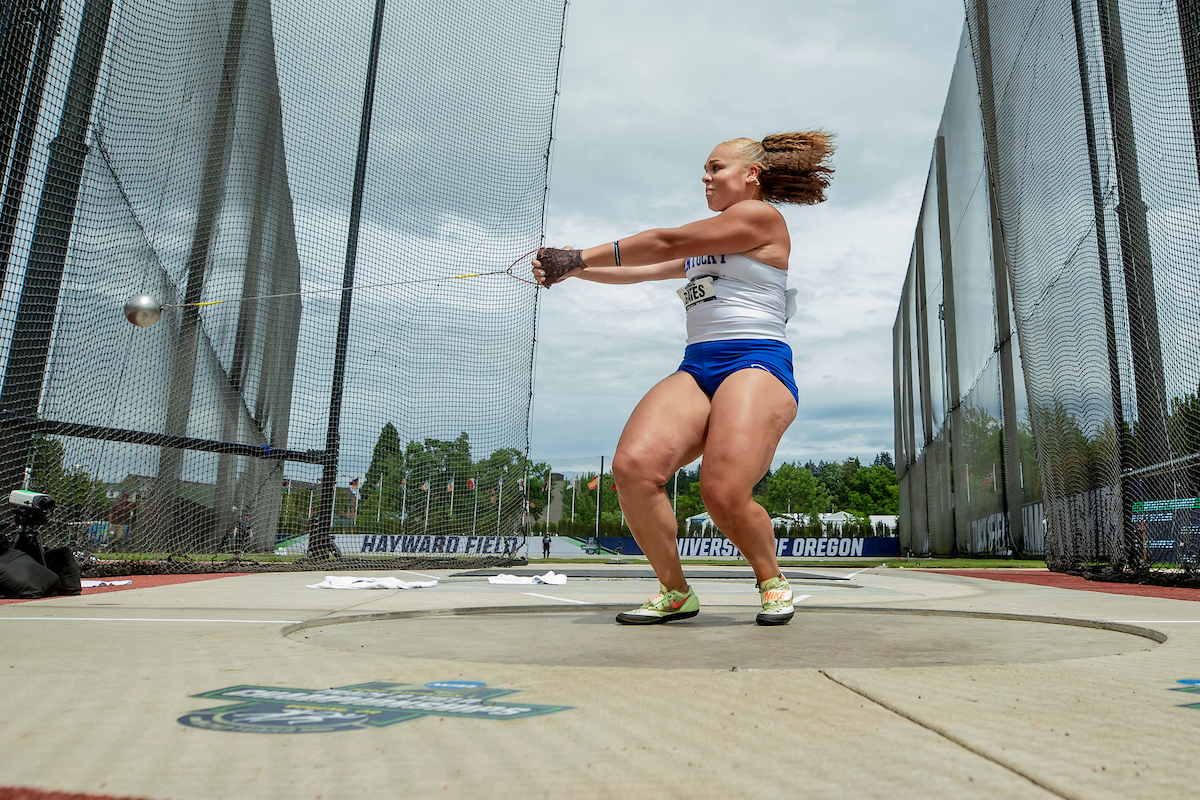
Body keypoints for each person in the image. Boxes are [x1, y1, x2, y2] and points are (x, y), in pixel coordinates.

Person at [533, 133, 834, 626]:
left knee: (722, 490)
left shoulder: (760, 219)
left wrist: (579, 256)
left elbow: (665, 240)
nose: (706, 177)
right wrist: (569, 270)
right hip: (699, 366)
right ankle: (675, 591)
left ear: (750, 175)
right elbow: (642, 268)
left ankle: (771, 578)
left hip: (757, 364)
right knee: (632, 469)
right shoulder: (709, 244)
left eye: (716, 168)